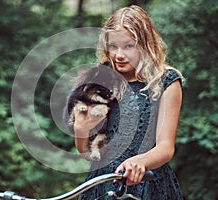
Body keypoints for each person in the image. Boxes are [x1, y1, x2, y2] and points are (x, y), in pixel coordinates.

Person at [73, 5, 184, 200]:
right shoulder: (100, 80)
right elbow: (89, 153)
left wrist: (140, 161)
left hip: (149, 183)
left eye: (128, 46)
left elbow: (166, 147)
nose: (119, 55)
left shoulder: (166, 81)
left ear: (145, 44)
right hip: (102, 182)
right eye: (113, 46)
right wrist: (81, 130)